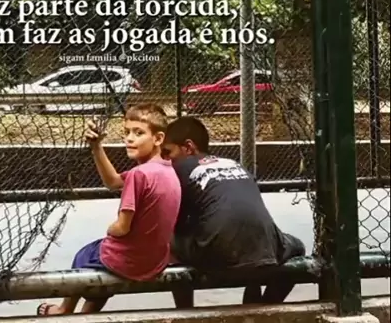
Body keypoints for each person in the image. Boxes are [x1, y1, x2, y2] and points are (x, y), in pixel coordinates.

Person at [37, 103, 182, 316]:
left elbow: (122, 228)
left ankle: (64, 308)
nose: (129, 138)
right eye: (127, 132)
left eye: (138, 133)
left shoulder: (139, 175)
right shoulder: (167, 170)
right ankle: (88, 313)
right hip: (155, 260)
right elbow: (113, 182)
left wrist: (110, 230)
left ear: (158, 139)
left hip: (130, 261)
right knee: (102, 259)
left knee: (85, 255)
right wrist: (96, 147)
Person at [161, 116, 305, 308]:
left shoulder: (179, 167)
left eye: (168, 152)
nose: (165, 159)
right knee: (298, 247)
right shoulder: (232, 163)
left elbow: (177, 223)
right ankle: (266, 303)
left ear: (188, 147)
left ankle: (185, 312)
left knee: (169, 240)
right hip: (266, 251)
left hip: (219, 256)